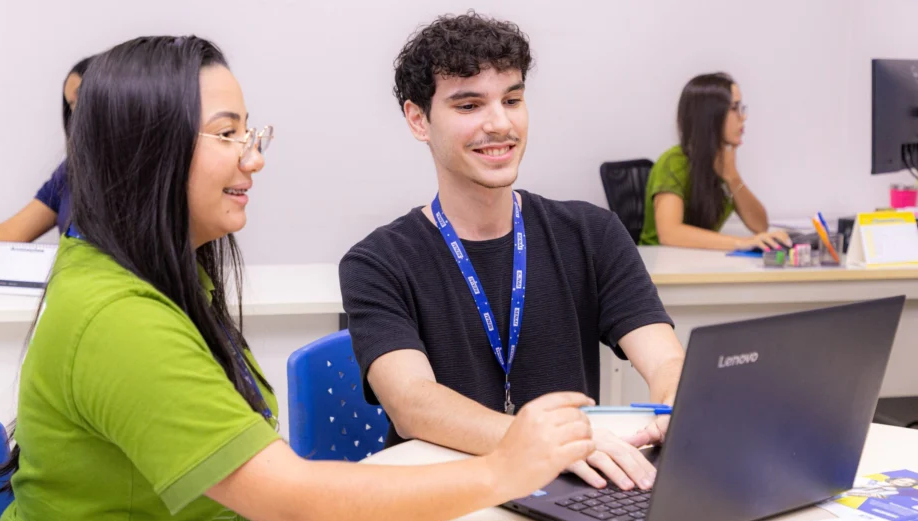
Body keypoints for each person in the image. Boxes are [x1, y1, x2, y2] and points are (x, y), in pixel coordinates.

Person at [0, 36, 597, 521]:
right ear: (149, 150)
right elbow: (290, 499)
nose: (252, 159)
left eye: (250, 133)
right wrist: (504, 470)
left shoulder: (161, 272)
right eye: (227, 134)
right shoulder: (119, 318)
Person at [339, 11, 684, 493]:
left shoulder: (592, 233)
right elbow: (412, 402)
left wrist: (677, 403)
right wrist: (548, 443)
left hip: (575, 490)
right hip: (446, 495)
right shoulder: (377, 262)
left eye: (513, 99)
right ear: (419, 119)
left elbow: (665, 361)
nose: (500, 124)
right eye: (469, 105)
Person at [0, 55, 95, 259]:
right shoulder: (71, 171)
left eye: (82, 98)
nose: (76, 114)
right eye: (71, 105)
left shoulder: (150, 172)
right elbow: (11, 233)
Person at [639, 72, 792, 251]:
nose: (743, 117)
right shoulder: (673, 162)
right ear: (710, 116)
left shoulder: (719, 164)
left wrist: (732, 177)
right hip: (660, 267)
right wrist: (741, 242)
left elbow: (760, 226)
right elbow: (669, 233)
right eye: (734, 108)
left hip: (693, 261)